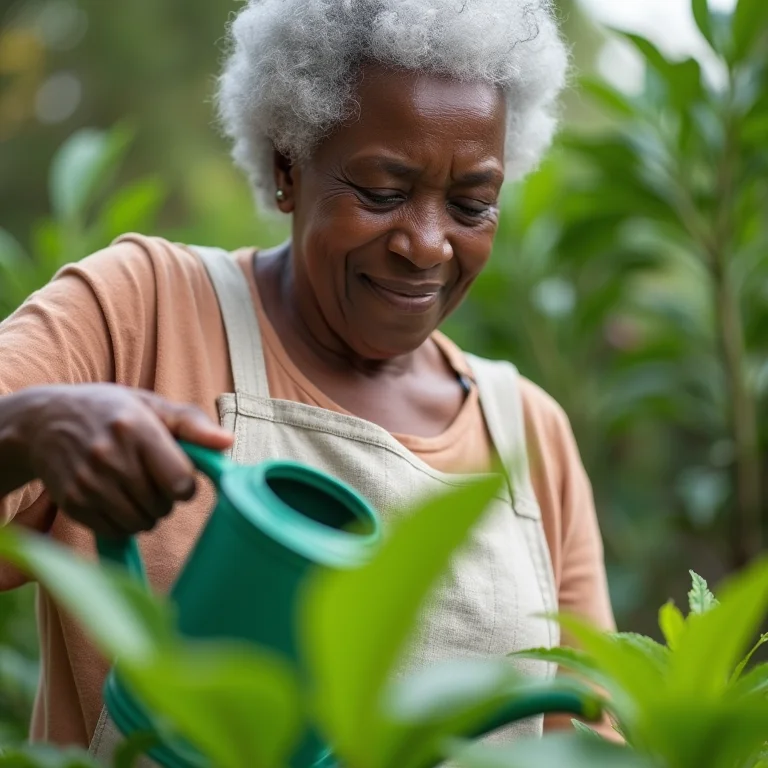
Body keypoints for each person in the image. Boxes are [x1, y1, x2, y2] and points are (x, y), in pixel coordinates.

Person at [0, 0, 616, 760]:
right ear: (289, 167)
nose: (427, 246)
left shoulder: (526, 430)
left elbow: (589, 731)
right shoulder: (141, 311)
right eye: (382, 192)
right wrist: (27, 428)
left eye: (470, 205)